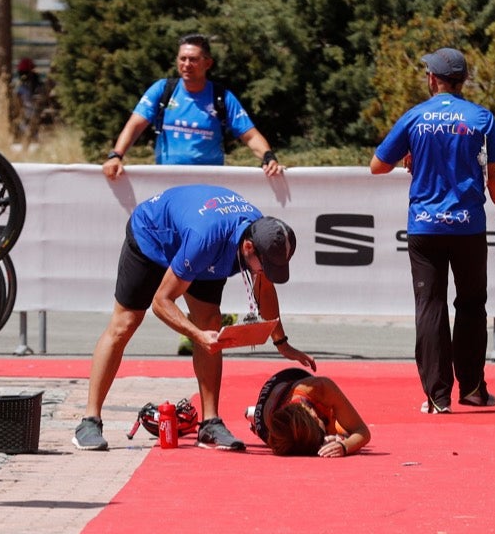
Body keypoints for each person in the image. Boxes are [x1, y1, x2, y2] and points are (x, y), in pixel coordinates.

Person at [72, 183, 316, 453]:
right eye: (266, 266)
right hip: (152, 238)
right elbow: (161, 302)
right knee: (125, 324)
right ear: (248, 247)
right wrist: (197, 336)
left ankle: (210, 423)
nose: (268, 272)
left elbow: (265, 288)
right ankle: (89, 421)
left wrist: (281, 342)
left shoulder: (261, 234)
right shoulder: (206, 240)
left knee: (210, 322)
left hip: (197, 244)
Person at [371, 47, 495, 414]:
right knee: (471, 306)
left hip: (425, 226)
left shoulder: (415, 117)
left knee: (430, 307)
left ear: (432, 79)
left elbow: (377, 166)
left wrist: (414, 154)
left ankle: (437, 397)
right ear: (463, 80)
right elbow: (494, 177)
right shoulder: (481, 118)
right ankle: (472, 390)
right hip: (468, 227)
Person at [101, 34, 284, 179]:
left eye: (193, 59)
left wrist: (268, 158)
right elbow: (135, 126)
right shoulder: (163, 89)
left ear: (208, 63)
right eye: (182, 59)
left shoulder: (222, 97)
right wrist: (116, 156)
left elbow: (250, 136)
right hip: (166, 180)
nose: (186, 65)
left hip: (209, 183)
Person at [246, 368, 371, 458]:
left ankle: (254, 414)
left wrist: (344, 446)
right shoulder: (278, 432)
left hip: (288, 379)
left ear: (315, 414)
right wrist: (342, 442)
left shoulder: (321, 388)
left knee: (343, 431)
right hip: (265, 421)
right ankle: (255, 417)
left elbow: (362, 431)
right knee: (335, 435)